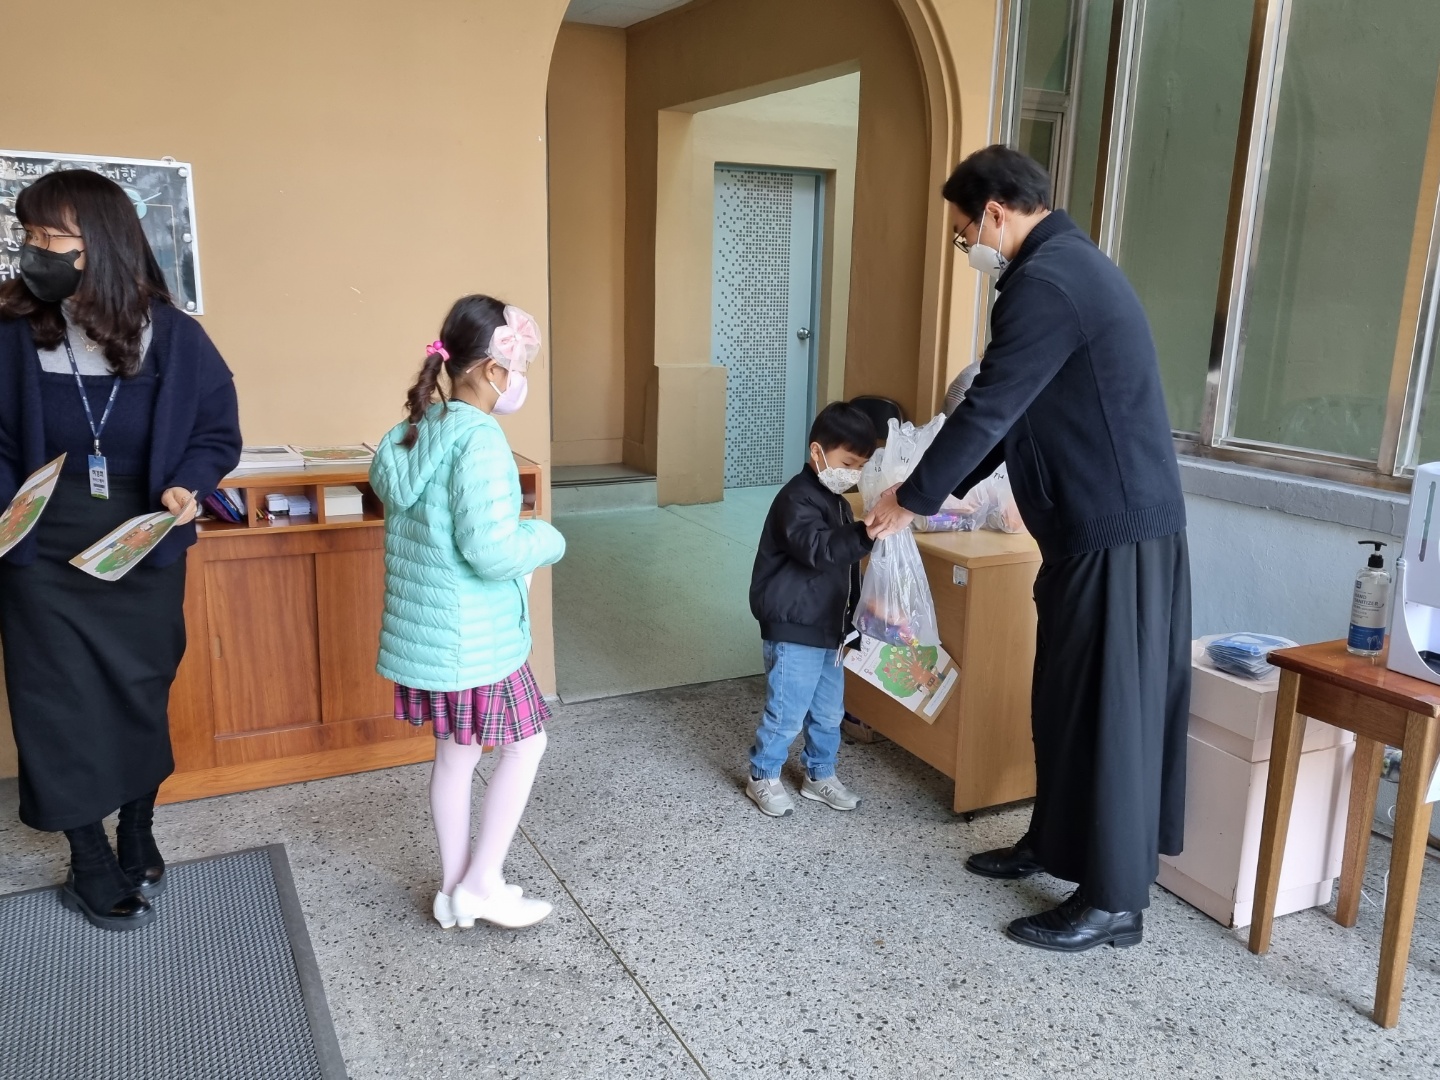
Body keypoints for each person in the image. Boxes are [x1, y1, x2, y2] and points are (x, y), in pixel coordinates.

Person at [867, 146, 1191, 952]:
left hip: (1118, 535)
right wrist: (929, 494)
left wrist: (911, 498)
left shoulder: (1050, 282)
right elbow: (1010, 422)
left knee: (1107, 714)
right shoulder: (1057, 272)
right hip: (1085, 532)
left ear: (996, 213)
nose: (965, 246)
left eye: (962, 233)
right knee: (1063, 700)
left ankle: (1114, 902)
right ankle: (1052, 842)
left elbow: (987, 411)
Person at [0, 170, 241, 931]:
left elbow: (215, 433)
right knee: (55, 704)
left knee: (141, 689)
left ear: (101, 243)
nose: (33, 250)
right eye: (28, 235)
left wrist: (188, 485)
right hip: (39, 549)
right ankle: (88, 856)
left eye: (52, 237)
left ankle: (137, 826)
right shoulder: (12, 331)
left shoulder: (175, 337)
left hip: (140, 540)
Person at [371, 295, 565, 930]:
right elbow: (491, 551)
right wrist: (545, 537)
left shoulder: (417, 428)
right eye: (516, 368)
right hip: (474, 639)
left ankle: (454, 889)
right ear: (489, 369)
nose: (518, 381)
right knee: (526, 745)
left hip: (431, 638)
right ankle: (482, 884)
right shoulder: (479, 440)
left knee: (456, 758)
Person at [745, 402, 878, 817]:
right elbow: (819, 550)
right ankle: (762, 775)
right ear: (817, 451)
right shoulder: (796, 498)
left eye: (860, 467)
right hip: (794, 625)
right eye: (847, 463)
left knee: (828, 712)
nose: (852, 474)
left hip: (829, 629)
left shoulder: (837, 501)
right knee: (787, 711)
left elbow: (844, 568)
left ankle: (819, 774)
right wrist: (865, 533)